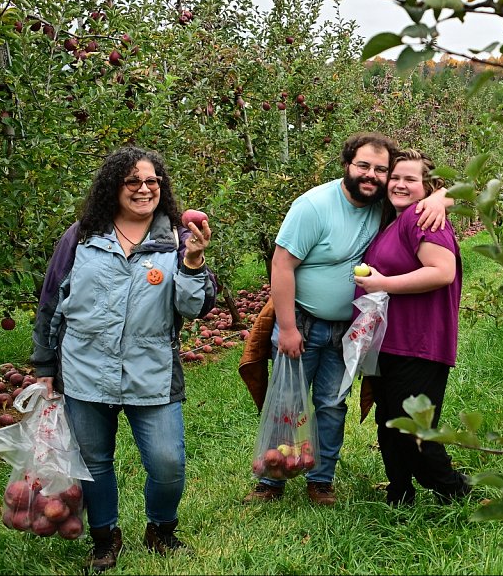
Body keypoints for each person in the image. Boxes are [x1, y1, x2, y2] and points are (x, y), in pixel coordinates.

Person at [31, 146, 216, 573]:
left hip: (150, 371)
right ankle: (104, 536)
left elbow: (196, 307)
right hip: (84, 368)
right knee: (95, 462)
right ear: (114, 187)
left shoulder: (177, 240)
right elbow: (51, 299)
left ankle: (161, 530)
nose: (144, 188)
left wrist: (192, 263)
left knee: (168, 462)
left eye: (152, 181)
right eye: (133, 181)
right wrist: (44, 367)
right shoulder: (81, 236)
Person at [243, 133, 450, 505]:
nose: (372, 175)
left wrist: (440, 196)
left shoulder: (385, 205)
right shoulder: (314, 205)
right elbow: (281, 264)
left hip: (348, 330)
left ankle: (321, 479)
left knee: (331, 404)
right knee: (287, 399)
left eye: (380, 169)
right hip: (303, 322)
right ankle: (271, 480)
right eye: (363, 166)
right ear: (347, 165)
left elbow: (434, 189)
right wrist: (287, 327)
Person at [352, 149, 470, 506]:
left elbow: (441, 272)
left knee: (412, 426)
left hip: (419, 340)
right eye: (396, 177)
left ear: (427, 185)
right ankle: (399, 492)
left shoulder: (421, 217)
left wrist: (383, 283)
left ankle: (453, 488)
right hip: (391, 341)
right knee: (390, 423)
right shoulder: (395, 218)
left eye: (411, 179)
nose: (400, 184)